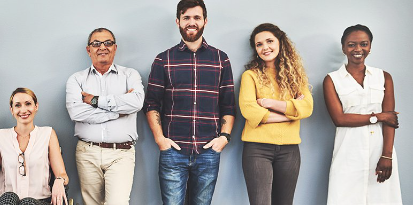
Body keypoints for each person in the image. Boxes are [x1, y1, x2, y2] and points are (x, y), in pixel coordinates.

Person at [143, 0, 236, 204]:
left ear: (205, 21)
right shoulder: (163, 60)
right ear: (178, 21)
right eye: (186, 18)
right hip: (173, 152)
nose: (191, 22)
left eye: (196, 17)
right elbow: (151, 104)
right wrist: (160, 140)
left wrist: (224, 138)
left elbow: (228, 104)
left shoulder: (221, 59)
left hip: (208, 153)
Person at [65, 27, 144, 205]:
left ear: (115, 48)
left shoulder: (130, 75)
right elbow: (76, 112)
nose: (103, 47)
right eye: (96, 43)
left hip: (121, 153)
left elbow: (137, 103)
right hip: (87, 152)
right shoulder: (76, 79)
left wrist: (95, 101)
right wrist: (119, 111)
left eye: (108, 43)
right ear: (89, 49)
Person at [324, 24, 402, 205]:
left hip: (380, 150)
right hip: (348, 151)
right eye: (351, 44)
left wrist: (387, 155)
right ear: (343, 48)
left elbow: (391, 121)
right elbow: (339, 119)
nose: (358, 49)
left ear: (370, 47)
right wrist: (379, 117)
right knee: (344, 199)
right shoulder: (332, 80)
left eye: (363, 44)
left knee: (383, 199)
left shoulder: (384, 77)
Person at [239, 23, 313, 205]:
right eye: (259, 44)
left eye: (269, 41)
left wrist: (270, 104)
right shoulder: (250, 76)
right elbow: (249, 110)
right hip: (257, 149)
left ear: (280, 42)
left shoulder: (296, 76)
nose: (265, 47)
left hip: (290, 150)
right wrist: (290, 114)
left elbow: (307, 107)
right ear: (255, 50)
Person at [0, 88, 69, 205]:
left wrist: (59, 180)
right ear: (12, 110)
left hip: (40, 201)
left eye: (28, 104)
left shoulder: (48, 134)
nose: (23, 110)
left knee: (27, 203)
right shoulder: (0, 136)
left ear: (36, 106)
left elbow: (63, 174)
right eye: (18, 105)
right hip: (7, 201)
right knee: (9, 197)